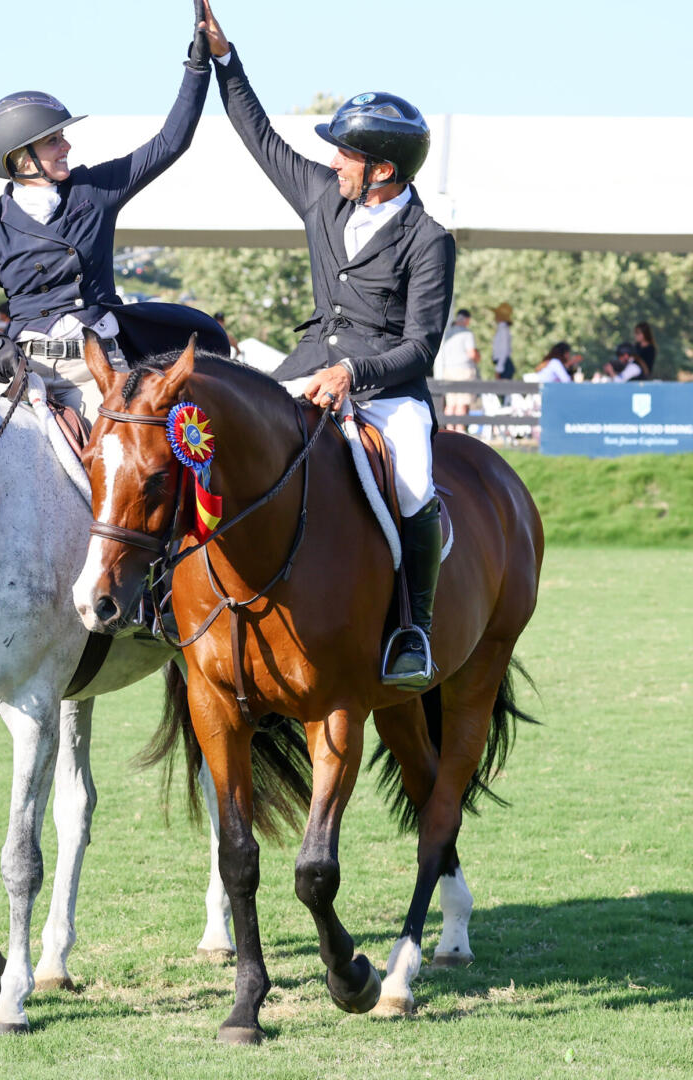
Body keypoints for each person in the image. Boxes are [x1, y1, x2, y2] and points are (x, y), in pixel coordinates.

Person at [204, 1, 449, 689]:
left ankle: (412, 630)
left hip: (386, 390)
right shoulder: (321, 196)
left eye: (346, 153)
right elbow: (256, 135)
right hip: (305, 367)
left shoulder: (429, 242)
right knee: (224, 442)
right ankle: (180, 593)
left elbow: (422, 347)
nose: (332, 160)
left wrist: (352, 372)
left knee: (411, 485)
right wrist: (226, 59)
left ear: (382, 169)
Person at [0, 3, 228, 416]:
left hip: (96, 366)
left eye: (62, 137)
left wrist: (196, 65)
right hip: (27, 366)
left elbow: (170, 143)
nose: (67, 146)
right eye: (54, 141)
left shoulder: (94, 190)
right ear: (22, 159)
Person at [434, 308, 480, 427]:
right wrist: (478, 358)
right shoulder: (467, 333)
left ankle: (448, 429)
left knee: (450, 403)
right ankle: (459, 429)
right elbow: (472, 354)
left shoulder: (448, 333)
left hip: (448, 370)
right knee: (462, 403)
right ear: (466, 319)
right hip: (463, 371)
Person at [490, 302, 514, 380]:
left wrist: (499, 369)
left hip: (504, 366)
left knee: (502, 390)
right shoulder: (502, 329)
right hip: (503, 364)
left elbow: (504, 350)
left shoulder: (503, 330)